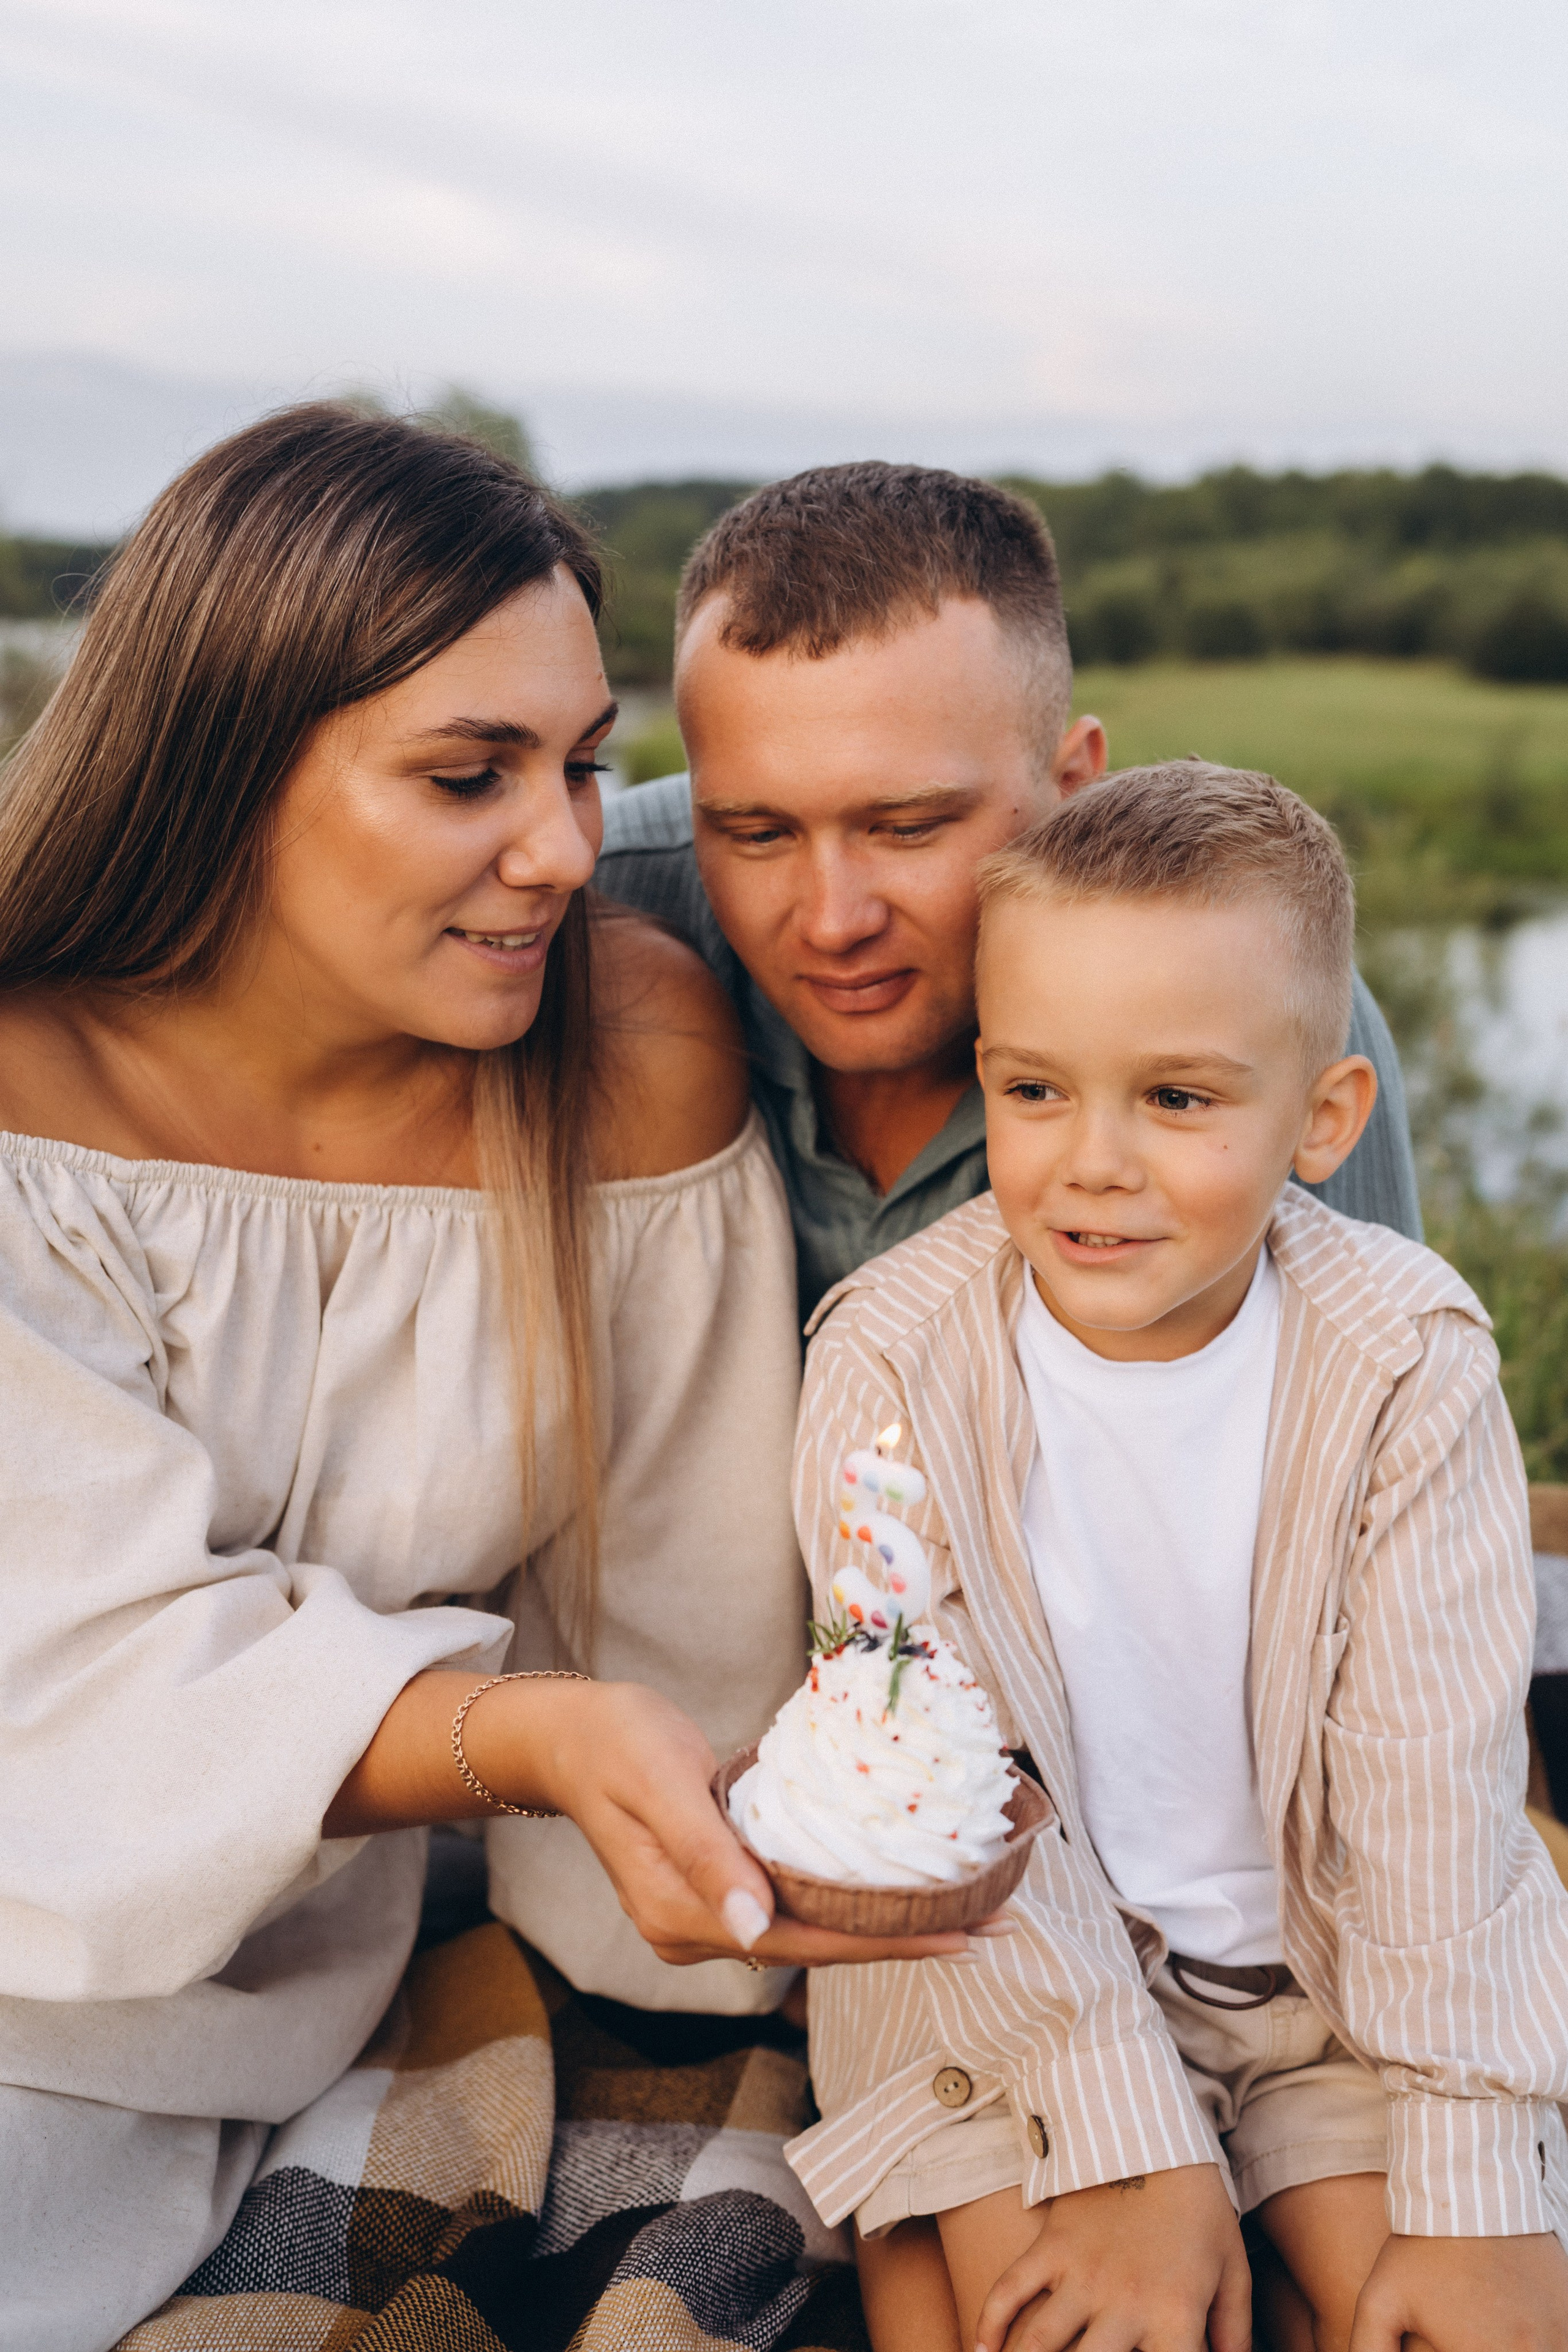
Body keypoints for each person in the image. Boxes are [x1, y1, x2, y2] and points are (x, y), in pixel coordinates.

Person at [0, 405, 972, 2351]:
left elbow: (686, 1618)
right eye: (471, 775)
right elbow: (79, 1679)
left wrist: (746, 1926)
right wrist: (524, 1736)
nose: (567, 845)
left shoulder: (624, 1062)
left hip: (331, 2001)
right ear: (225, 768)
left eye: (587, 762)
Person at [784, 764, 1568, 2352]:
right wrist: (1128, 2141)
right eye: (1036, 1091)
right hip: (1008, 1994)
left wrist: (1477, 2181)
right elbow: (944, 1776)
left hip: (1328, 1999)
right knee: (1074, 2324)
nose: (1093, 1163)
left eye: (1181, 1099)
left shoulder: (1404, 1367)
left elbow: (1436, 1797)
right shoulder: (892, 1365)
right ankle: (959, 2234)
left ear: (1325, 1119)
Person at [595, 464, 1422, 1316]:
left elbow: (1366, 1383)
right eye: (758, 834)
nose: (835, 922)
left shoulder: (1240, 983)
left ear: (1073, 783)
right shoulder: (598, 908)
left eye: (907, 829)